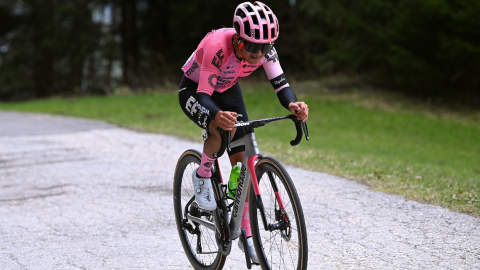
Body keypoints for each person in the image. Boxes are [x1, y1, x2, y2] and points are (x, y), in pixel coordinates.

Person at [178, 1, 309, 264]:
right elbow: (204, 94)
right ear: (238, 40)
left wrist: (293, 104)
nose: (259, 54)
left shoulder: (264, 50)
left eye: (266, 47)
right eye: (252, 47)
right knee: (218, 131)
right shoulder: (218, 46)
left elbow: (281, 85)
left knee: (243, 157)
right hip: (195, 89)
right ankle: (203, 174)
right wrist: (216, 116)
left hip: (226, 88)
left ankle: (246, 235)